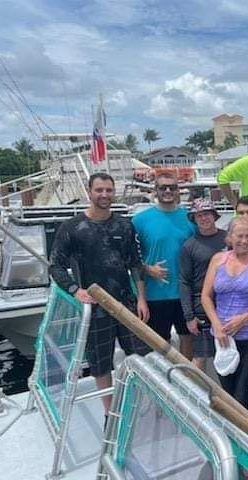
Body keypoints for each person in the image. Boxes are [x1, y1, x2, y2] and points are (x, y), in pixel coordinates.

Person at [49, 173, 150, 412]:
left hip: (126, 304)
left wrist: (142, 298)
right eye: (99, 190)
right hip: (95, 309)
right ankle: (109, 412)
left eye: (108, 190)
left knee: (140, 356)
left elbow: (135, 264)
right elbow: (55, 266)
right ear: (89, 191)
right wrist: (75, 290)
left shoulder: (124, 225)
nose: (104, 195)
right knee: (100, 364)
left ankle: (142, 402)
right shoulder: (72, 228)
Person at [201, 216, 248, 408]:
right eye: (240, 236)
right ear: (230, 237)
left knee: (241, 395)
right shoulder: (218, 260)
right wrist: (216, 325)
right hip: (223, 338)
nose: (244, 241)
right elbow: (206, 296)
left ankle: (240, 434)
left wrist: (244, 319)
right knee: (228, 393)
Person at [132, 173, 196, 359]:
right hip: (155, 295)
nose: (168, 191)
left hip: (185, 294)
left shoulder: (190, 218)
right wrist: (148, 268)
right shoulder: (139, 220)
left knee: (187, 339)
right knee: (159, 344)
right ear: (155, 191)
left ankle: (186, 381)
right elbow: (130, 258)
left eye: (172, 187)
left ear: (178, 191)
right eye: (163, 187)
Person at [179, 199, 227, 371]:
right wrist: (189, 315)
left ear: (214, 216)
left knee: (230, 352)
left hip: (228, 304)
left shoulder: (228, 239)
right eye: (199, 215)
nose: (204, 218)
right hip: (201, 307)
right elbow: (184, 281)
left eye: (206, 214)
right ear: (194, 219)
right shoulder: (189, 246)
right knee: (200, 357)